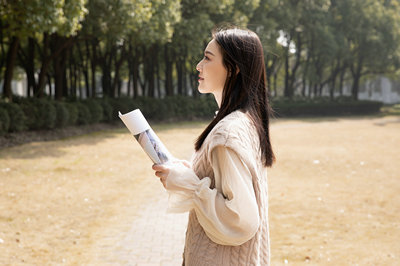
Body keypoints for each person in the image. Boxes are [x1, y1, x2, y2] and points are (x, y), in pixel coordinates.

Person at [152, 26, 275, 266]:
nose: (198, 65)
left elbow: (241, 219)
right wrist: (190, 172)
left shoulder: (227, 133)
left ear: (234, 68)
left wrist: (190, 184)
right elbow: (224, 184)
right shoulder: (244, 121)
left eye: (207, 58)